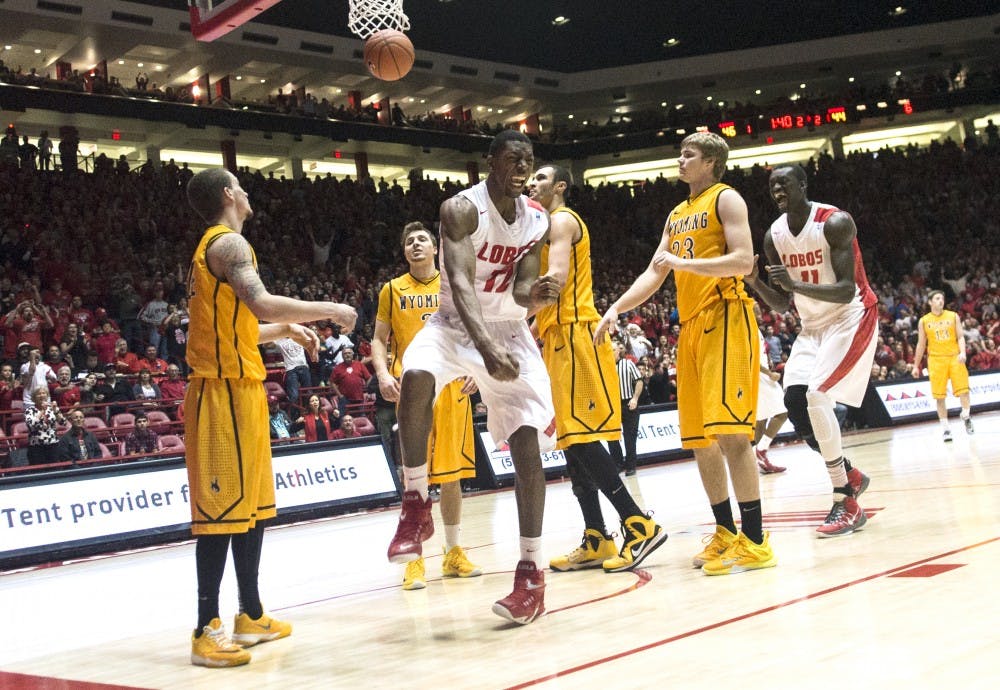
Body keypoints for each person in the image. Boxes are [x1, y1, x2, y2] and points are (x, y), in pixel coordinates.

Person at [386, 130, 561, 624]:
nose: (523, 165)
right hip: (455, 325)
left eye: (529, 158)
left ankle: (531, 573)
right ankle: (416, 503)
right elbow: (460, 281)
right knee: (416, 375)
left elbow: (522, 286)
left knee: (527, 446)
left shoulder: (537, 218)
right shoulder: (461, 209)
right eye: (513, 157)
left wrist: (536, 296)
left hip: (508, 332)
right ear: (490, 162)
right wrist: (483, 349)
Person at [183, 167, 356, 667]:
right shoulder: (226, 245)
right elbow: (258, 302)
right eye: (241, 184)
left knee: (252, 508)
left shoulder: (225, 248)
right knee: (219, 517)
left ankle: (251, 614)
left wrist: (282, 330)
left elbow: (240, 326)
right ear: (227, 195)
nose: (247, 191)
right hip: (217, 393)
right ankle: (204, 629)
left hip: (244, 388)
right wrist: (330, 310)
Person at [595, 132, 775, 576]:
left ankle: (755, 540)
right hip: (691, 327)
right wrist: (615, 308)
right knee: (699, 440)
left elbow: (743, 261)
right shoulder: (677, 214)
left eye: (688, 154)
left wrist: (686, 265)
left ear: (712, 162)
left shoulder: (726, 199)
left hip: (727, 317)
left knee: (733, 435)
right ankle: (726, 532)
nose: (680, 159)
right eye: (681, 153)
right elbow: (654, 272)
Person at [527, 165, 667, 573]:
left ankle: (637, 523)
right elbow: (548, 306)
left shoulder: (562, 220)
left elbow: (554, 283)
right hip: (558, 336)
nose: (531, 184)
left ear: (559, 187)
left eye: (539, 178)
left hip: (575, 335)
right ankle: (597, 536)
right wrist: (526, 334)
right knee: (571, 441)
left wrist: (508, 317)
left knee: (584, 439)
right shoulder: (544, 227)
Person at [745, 163, 876, 538]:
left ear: (803, 184)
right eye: (772, 186)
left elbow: (846, 289)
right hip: (812, 326)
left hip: (850, 317)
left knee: (819, 396)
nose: (777, 190)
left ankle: (845, 499)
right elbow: (782, 303)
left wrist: (796, 285)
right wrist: (756, 281)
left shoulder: (834, 222)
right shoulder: (773, 235)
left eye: (784, 183)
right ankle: (848, 472)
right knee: (796, 403)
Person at [371, 221, 482, 591]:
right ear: (404, 252)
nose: (415, 245)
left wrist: (477, 370)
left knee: (451, 475)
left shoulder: (454, 283)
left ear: (435, 248)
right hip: (414, 388)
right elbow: (378, 339)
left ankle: (453, 552)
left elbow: (477, 329)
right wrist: (384, 375)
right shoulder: (392, 289)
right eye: (409, 242)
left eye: (422, 239)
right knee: (412, 476)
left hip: (453, 386)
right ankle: (413, 560)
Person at [911, 289, 974, 440]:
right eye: (937, 298)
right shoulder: (924, 321)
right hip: (936, 360)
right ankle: (946, 429)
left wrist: (963, 352)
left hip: (954, 357)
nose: (941, 301)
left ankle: (966, 415)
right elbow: (921, 345)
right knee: (940, 397)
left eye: (942, 298)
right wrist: (915, 365)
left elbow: (960, 337)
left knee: (964, 391)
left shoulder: (953, 316)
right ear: (930, 302)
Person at [750, 305, 787, 474]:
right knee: (783, 412)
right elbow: (750, 359)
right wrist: (769, 373)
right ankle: (761, 449)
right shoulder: (748, 329)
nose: (760, 314)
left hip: (758, 375)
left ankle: (761, 461)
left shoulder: (754, 329)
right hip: (760, 376)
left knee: (761, 419)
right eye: (756, 311)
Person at [609, 341, 643, 476]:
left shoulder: (628, 364)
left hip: (628, 403)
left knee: (630, 437)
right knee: (611, 437)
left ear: (618, 351)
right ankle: (617, 464)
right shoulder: (604, 366)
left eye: (613, 350)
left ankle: (631, 466)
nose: (610, 352)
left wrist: (635, 398)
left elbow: (639, 381)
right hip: (611, 405)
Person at [23, 386, 65, 466]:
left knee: (54, 470)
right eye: (39, 394)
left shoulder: (51, 408)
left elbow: (63, 422)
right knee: (39, 472)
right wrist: (42, 411)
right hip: (37, 447)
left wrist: (56, 410)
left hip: (53, 445)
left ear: (47, 395)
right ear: (34, 397)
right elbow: (31, 424)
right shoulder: (30, 410)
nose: (42, 395)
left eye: (44, 393)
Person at [276, 336, 311, 408]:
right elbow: (266, 345)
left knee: (308, 393)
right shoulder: (279, 340)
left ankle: (308, 412)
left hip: (303, 366)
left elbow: (311, 343)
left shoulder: (299, 337)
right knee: (294, 395)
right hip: (291, 369)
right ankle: (294, 416)